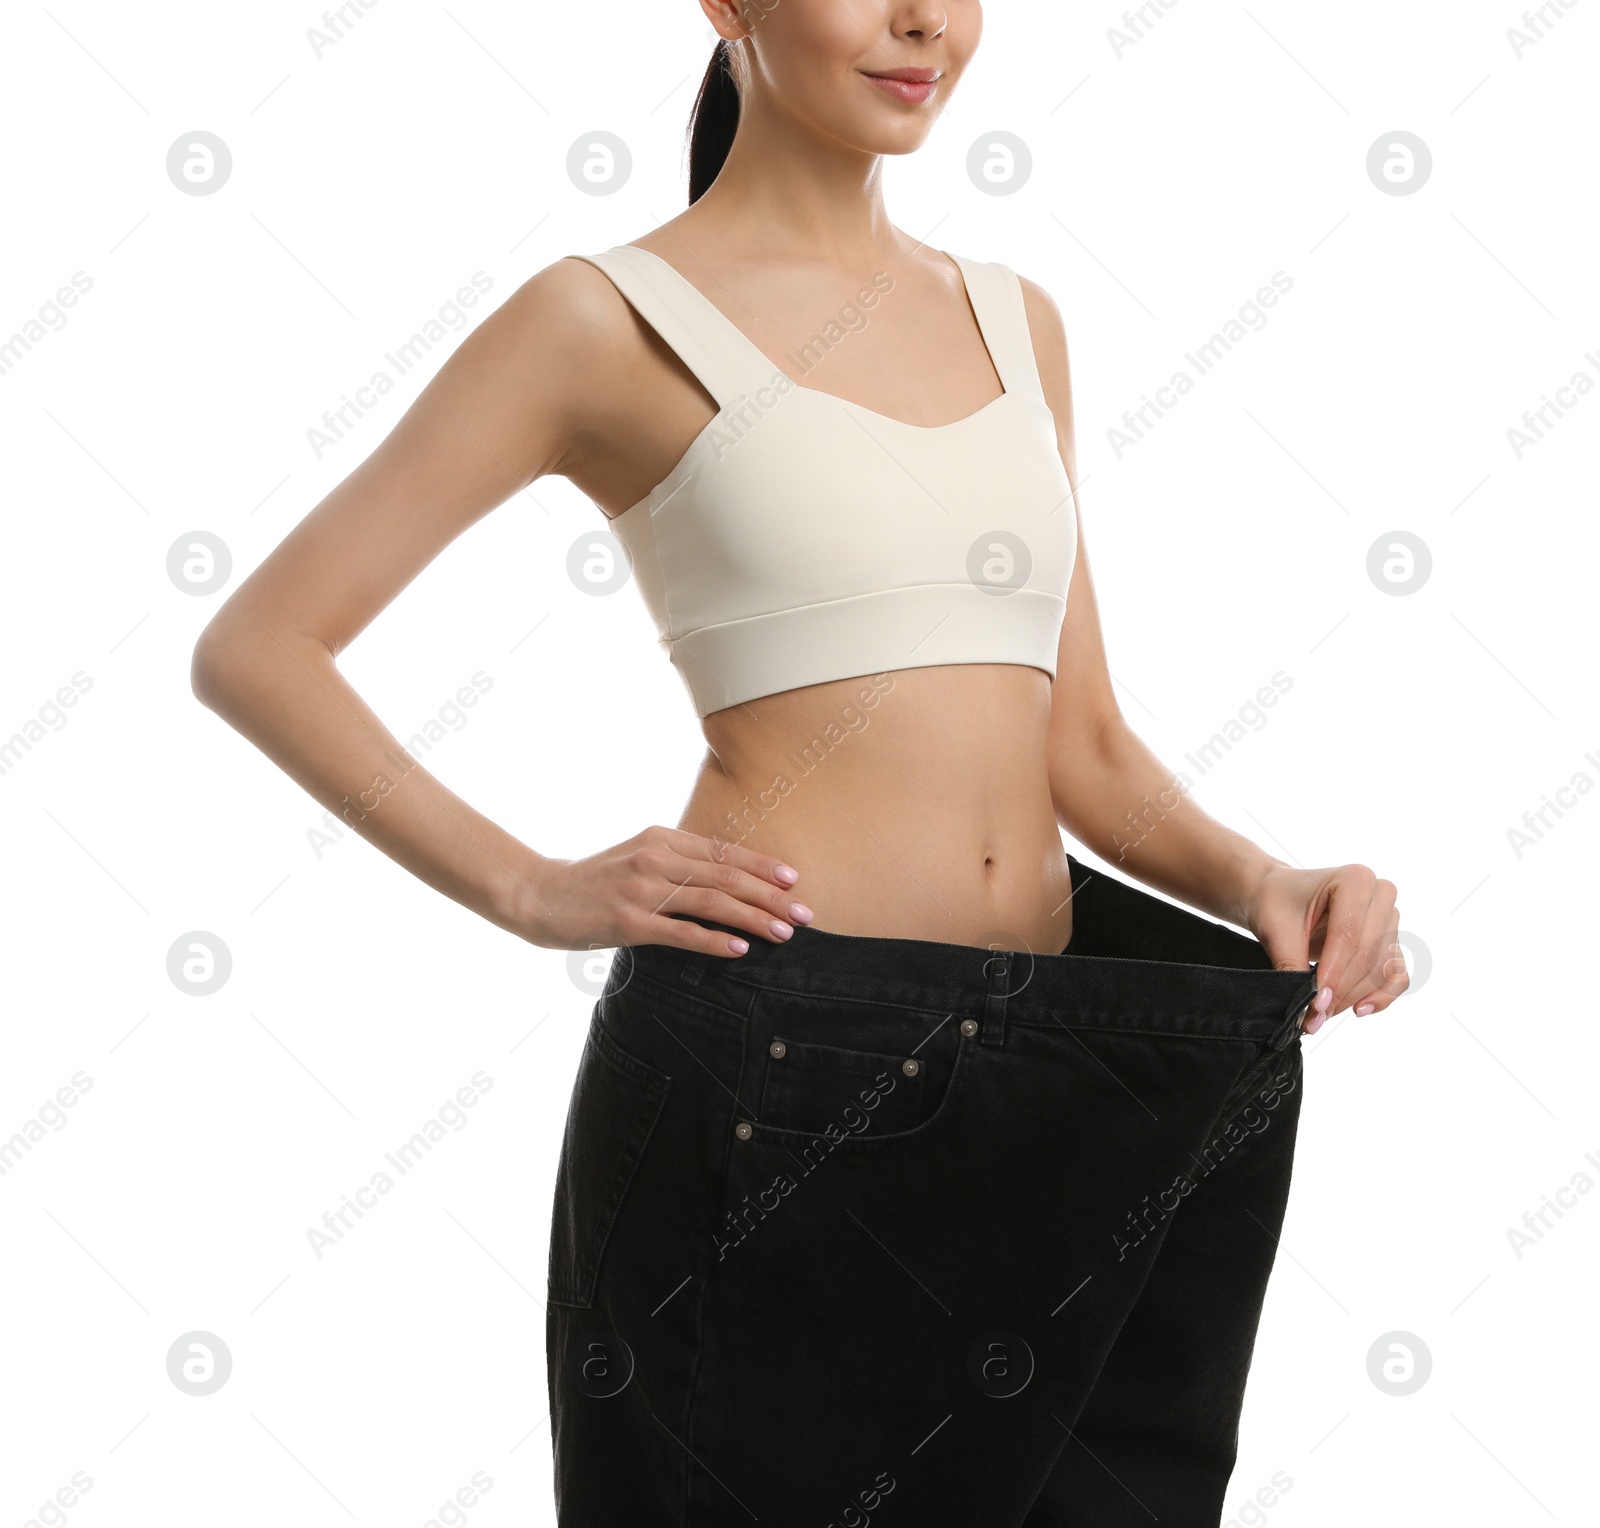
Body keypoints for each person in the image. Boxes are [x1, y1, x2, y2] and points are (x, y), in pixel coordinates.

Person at [191, 3, 1409, 1523]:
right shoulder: (602, 318)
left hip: (1064, 1085)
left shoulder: (1015, 318)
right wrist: (529, 886)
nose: (922, 22)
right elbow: (260, 645)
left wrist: (1264, 878)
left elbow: (1082, 745)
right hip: (776, 1077)